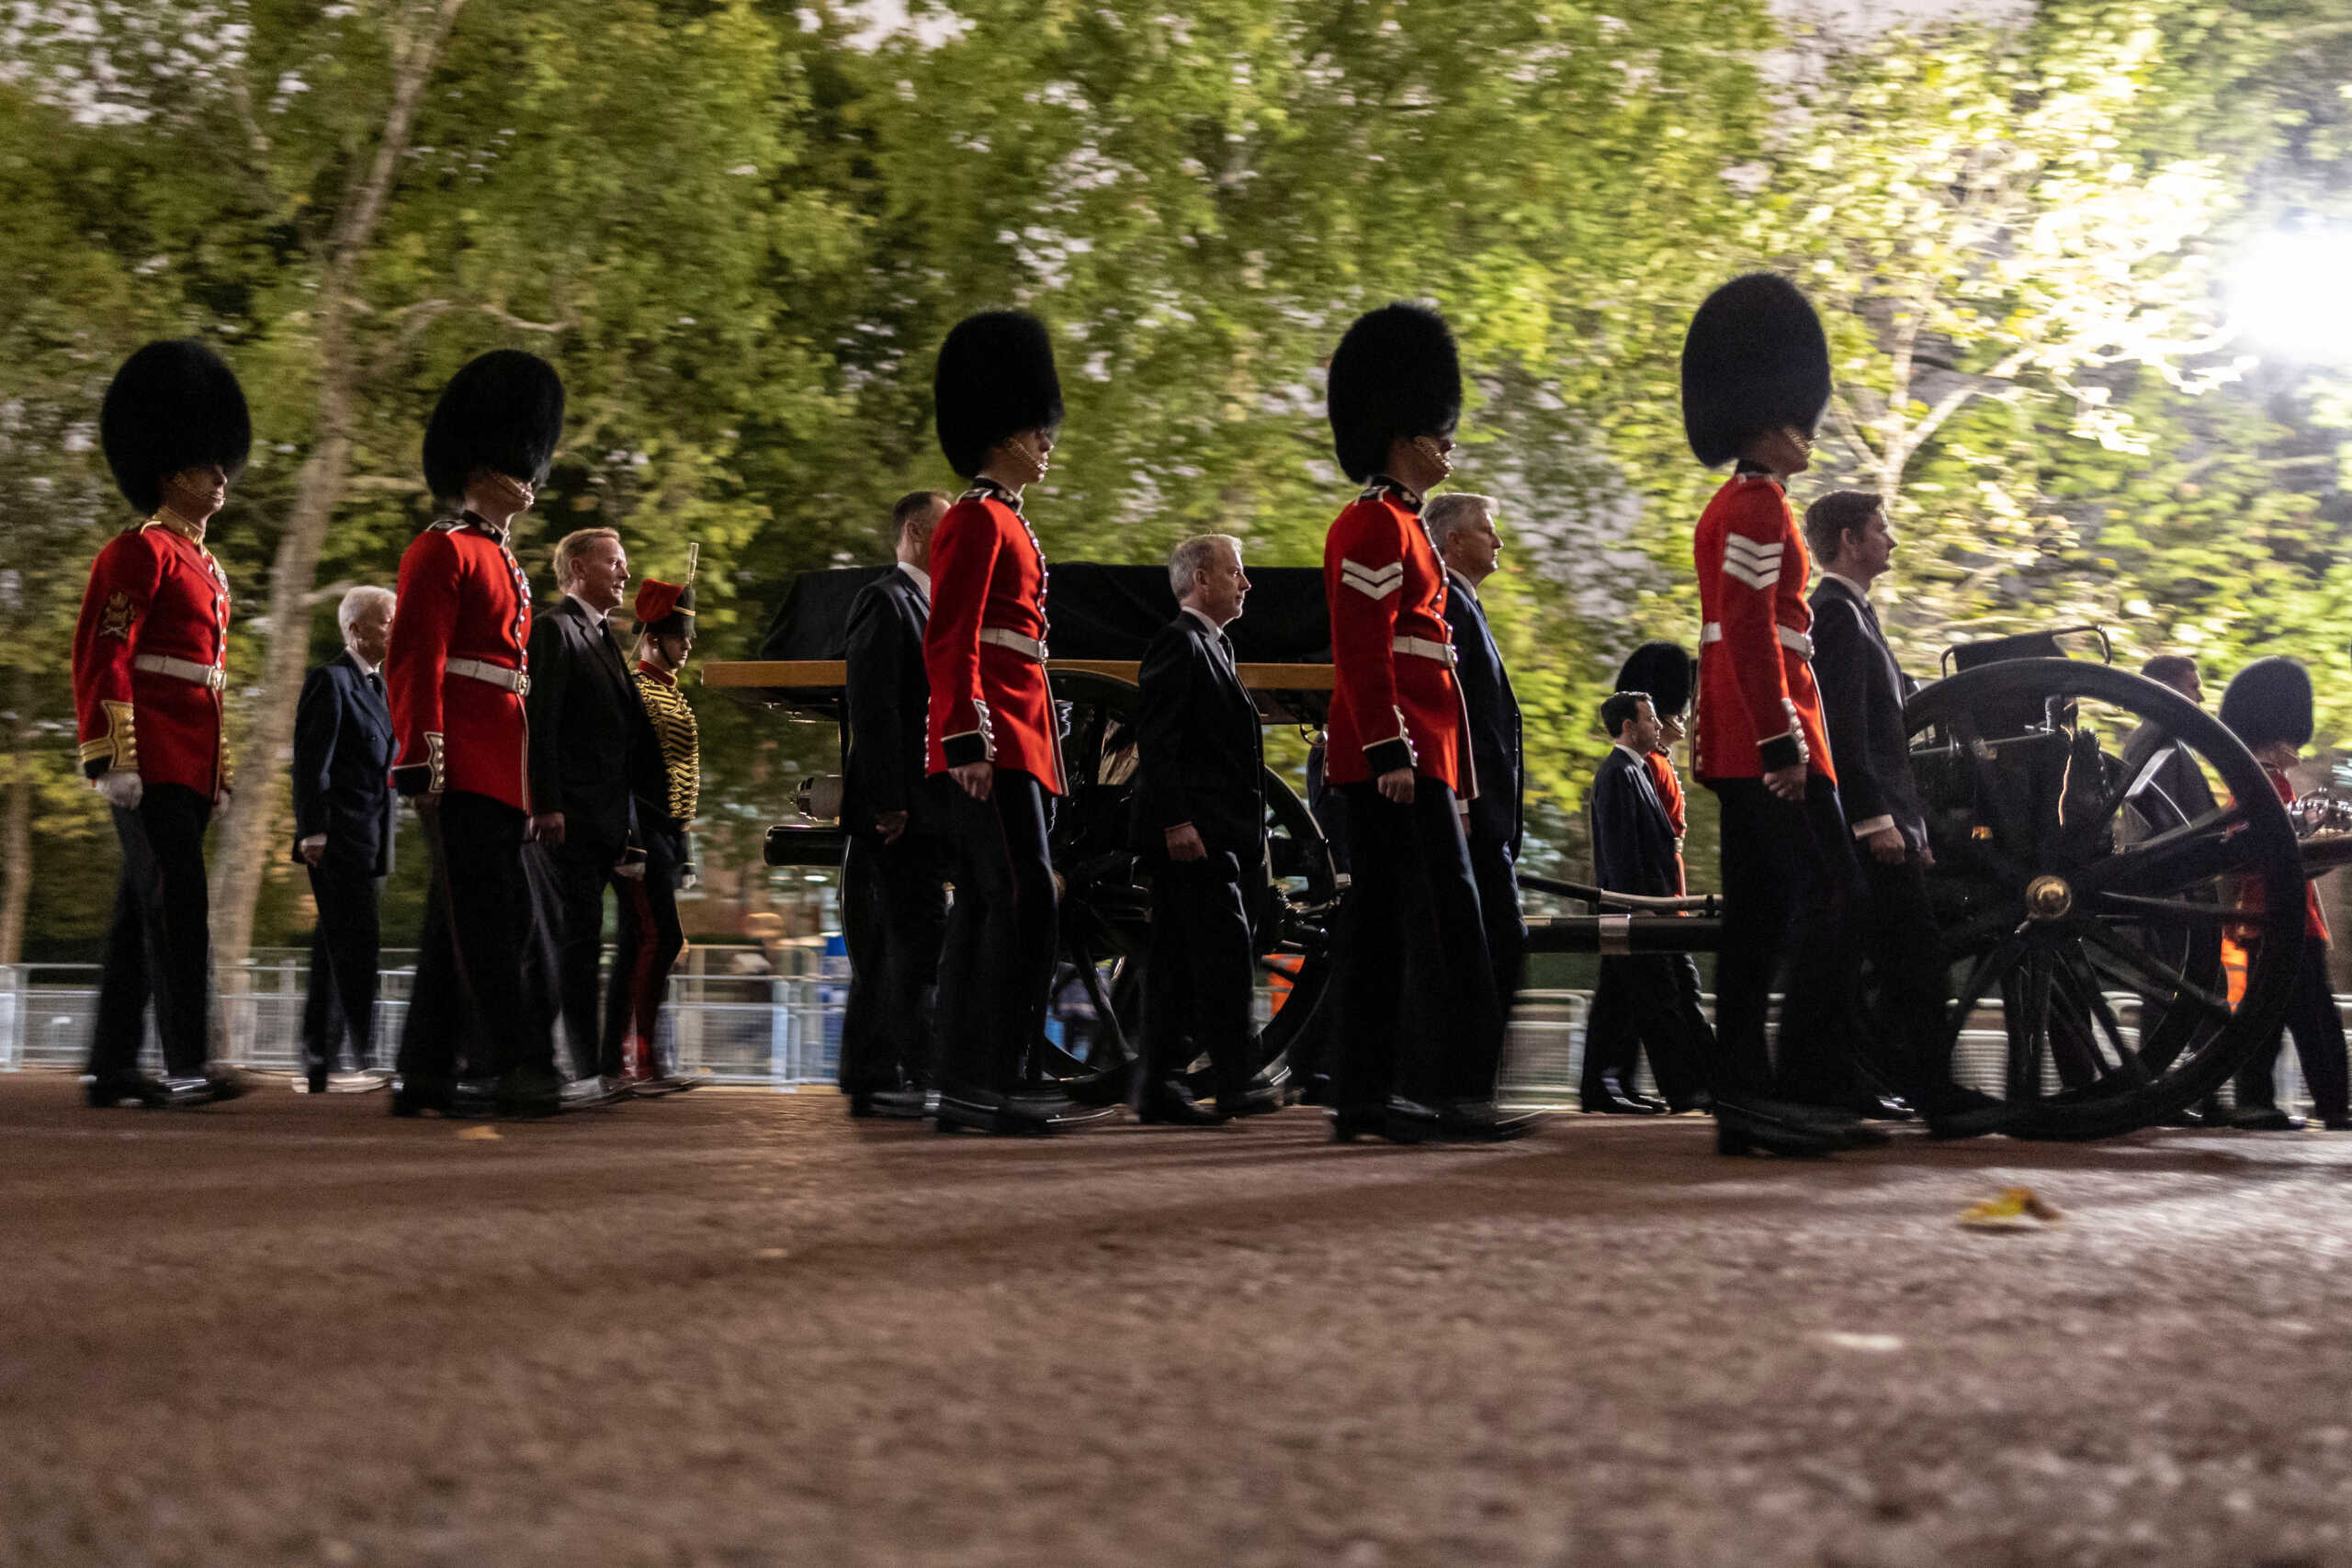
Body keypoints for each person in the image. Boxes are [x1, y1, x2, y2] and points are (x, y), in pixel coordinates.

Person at [1319, 302, 1535, 1145]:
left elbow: (1433, 667)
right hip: (1396, 759)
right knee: (1451, 928)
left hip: (1422, 757)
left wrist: (1454, 773)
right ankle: (1450, 1092)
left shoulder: (1404, 525)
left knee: (1379, 932)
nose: (1450, 446)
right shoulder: (1373, 523)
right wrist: (1391, 752)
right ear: (1405, 437)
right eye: (1439, 434)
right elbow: (1364, 650)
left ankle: (1366, 1097)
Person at [1682, 273, 1878, 1156]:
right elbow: (1758, 636)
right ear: (1767, 417)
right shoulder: (1760, 506)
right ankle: (1807, 1086)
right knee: (1833, 897)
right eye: (1800, 417)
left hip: (1742, 731)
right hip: (1770, 733)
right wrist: (1782, 742)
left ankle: (1744, 1096)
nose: (1811, 430)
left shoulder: (1735, 503)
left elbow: (1735, 635)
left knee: (1758, 922)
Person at [386, 349, 568, 1119]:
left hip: (501, 762)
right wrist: (421, 762)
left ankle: (424, 1071)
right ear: (478, 466)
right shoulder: (441, 550)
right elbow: (414, 662)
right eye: (515, 462)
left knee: (458, 919)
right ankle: (513, 1061)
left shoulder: (506, 562)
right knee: (492, 923)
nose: (531, 475)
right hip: (459, 758)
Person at [73, 339, 251, 1109]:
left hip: (188, 756)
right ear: (171, 472)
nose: (222, 477)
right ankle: (188, 1062)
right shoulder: (137, 551)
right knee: (178, 906)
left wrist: (220, 771)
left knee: (139, 914)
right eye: (208, 466)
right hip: (146, 754)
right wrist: (112, 755)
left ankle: (110, 1066)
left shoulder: (206, 568)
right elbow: (104, 652)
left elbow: (209, 681)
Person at [924, 310, 1077, 1135]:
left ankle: (977, 1077)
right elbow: (951, 637)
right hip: (994, 741)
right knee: (1020, 904)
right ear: (999, 431)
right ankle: (996, 1075)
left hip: (1020, 737)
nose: (1046, 439)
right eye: (1034, 427)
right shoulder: (977, 518)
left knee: (1006, 908)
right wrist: (966, 739)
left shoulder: (1006, 517)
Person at [1804, 491, 1998, 1133]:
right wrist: (1874, 820)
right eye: (1880, 530)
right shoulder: (1834, 614)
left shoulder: (1853, 613)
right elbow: (1845, 732)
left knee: (1903, 959)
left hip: (1887, 821)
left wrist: (1913, 826)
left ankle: (1897, 1084)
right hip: (1868, 824)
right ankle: (1932, 1093)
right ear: (1849, 540)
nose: (1891, 541)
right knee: (1913, 959)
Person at [1129, 533, 1281, 1125]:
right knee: (1222, 957)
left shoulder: (1209, 646)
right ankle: (1237, 1080)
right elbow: (1158, 743)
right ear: (1202, 579)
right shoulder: (1180, 644)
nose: (1247, 583)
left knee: (1176, 962)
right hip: (1197, 837)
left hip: (1209, 834)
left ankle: (1158, 1085)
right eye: (1236, 572)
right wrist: (1177, 822)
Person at [526, 525, 662, 1103]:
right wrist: (546, 804)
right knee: (573, 947)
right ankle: (577, 1071)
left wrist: (637, 824)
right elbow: (542, 723)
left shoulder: (603, 635)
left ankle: (595, 1068)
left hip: (605, 822)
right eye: (616, 563)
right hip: (569, 822)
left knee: (589, 947)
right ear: (579, 568)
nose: (625, 574)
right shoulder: (556, 631)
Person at [837, 492, 954, 1119]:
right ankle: (884, 1074)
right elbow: (874, 708)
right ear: (915, 531)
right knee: (901, 942)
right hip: (897, 808)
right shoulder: (886, 600)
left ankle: (884, 1072)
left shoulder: (925, 604)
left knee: (909, 939)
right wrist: (889, 800)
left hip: (916, 804)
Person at [2217, 658, 2350, 1132]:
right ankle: (2333, 1104)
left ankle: (2257, 1101)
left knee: (2266, 1018)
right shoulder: (2265, 783)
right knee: (2316, 1021)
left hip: (2268, 916)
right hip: (2280, 917)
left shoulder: (2268, 781)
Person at [291, 584, 399, 1095]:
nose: (394, 629)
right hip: (337, 838)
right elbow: (313, 763)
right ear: (355, 629)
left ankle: (320, 1057)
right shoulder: (330, 681)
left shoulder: (382, 687)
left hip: (372, 837)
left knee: (335, 947)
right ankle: (361, 1053)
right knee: (356, 945)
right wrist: (312, 829)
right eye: (386, 621)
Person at [1585, 690, 1714, 1111]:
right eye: (1650, 719)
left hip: (1645, 908)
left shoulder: (1632, 770)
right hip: (1638, 911)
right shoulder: (1619, 773)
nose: (1658, 726)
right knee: (1662, 1002)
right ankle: (1684, 1089)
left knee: (1618, 1005)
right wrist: (1639, 907)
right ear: (1628, 726)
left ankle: (1602, 1088)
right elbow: (1621, 847)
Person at [605, 556, 706, 1096]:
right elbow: (629, 774)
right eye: (676, 634)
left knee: (642, 943)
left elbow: (681, 777)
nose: (686, 644)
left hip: (666, 833)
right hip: (640, 830)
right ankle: (642, 1059)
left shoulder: (669, 691)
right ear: (652, 636)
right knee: (658, 939)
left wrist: (684, 845)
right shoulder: (638, 691)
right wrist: (637, 839)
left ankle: (632, 1058)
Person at [1427, 492, 1526, 1021]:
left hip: (1482, 811)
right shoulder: (1449, 601)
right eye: (1488, 530)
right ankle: (1464, 1085)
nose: (1499, 541)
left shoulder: (1461, 602)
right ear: (1454, 540)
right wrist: (1466, 801)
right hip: (1474, 811)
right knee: (1499, 945)